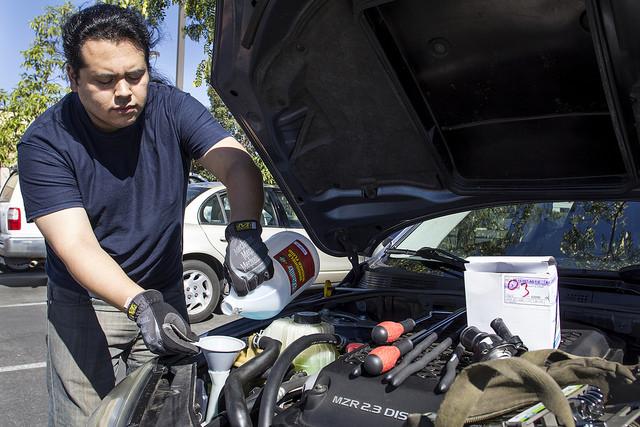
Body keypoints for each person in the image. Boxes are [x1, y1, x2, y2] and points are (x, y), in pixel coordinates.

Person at [17, 4, 273, 426]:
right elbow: (76, 245)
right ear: (73, 77)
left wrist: (244, 231)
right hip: (88, 303)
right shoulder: (46, 143)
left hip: (165, 290)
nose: (124, 91)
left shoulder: (171, 108)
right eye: (104, 80)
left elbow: (236, 164)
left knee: (168, 412)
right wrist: (138, 303)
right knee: (87, 420)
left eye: (135, 76)